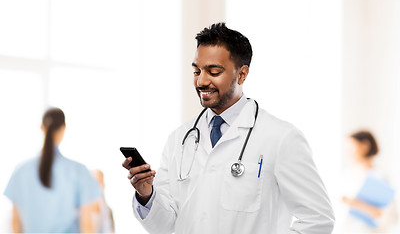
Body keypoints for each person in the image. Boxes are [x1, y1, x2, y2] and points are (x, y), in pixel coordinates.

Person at [122, 23, 335, 233]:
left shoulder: (281, 138)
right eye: (197, 71)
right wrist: (146, 194)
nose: (201, 81)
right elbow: (165, 226)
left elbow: (318, 220)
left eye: (213, 72)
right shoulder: (179, 139)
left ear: (242, 74)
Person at [4, 107, 102, 233]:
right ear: (64, 128)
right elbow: (87, 226)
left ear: (42, 128)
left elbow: (15, 224)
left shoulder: (21, 171)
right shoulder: (79, 172)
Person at [340, 130, 398, 233]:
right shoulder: (346, 174)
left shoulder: (379, 177)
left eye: (351, 147)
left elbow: (390, 216)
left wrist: (358, 204)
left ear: (365, 146)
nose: (347, 152)